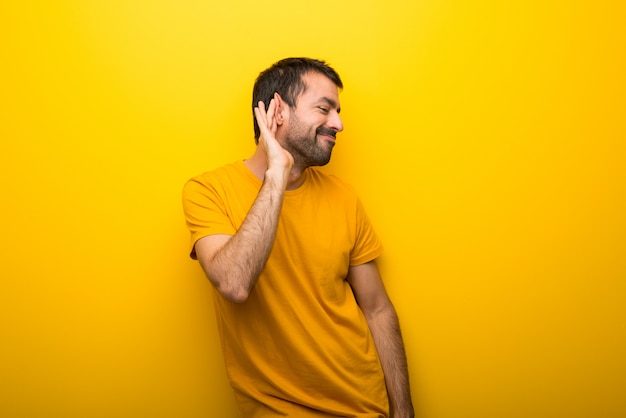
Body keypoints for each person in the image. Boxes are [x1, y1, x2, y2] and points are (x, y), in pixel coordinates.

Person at [182, 57, 414, 418]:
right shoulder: (208, 191)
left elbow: (377, 309)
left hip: (365, 406)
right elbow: (234, 281)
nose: (338, 123)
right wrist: (278, 171)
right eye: (324, 108)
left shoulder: (344, 197)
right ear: (277, 110)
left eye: (337, 111)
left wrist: (403, 412)